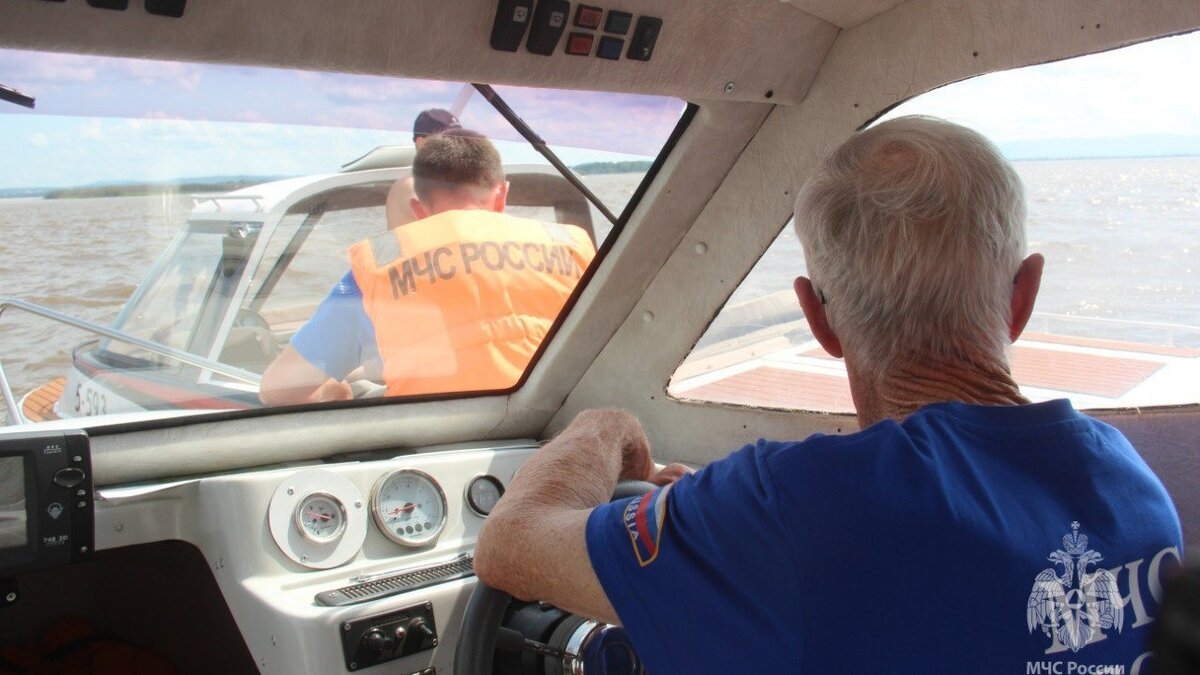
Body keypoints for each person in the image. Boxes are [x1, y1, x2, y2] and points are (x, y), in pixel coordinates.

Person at [474, 116, 1184, 673]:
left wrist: (609, 422)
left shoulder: (792, 506)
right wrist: (709, 523)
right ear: (1022, 295)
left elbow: (509, 542)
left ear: (819, 317)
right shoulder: (1134, 488)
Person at [259, 133, 595, 405]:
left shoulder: (380, 268)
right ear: (502, 195)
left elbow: (278, 390)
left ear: (418, 208)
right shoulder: (572, 246)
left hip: (436, 448)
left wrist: (334, 393)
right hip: (559, 437)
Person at [385, 108, 462, 230]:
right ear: (421, 143)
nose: (458, 146)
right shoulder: (409, 185)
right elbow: (450, 225)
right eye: (448, 140)